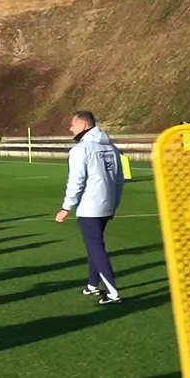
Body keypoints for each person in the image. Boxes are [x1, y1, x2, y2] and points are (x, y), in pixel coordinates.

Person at [54, 111, 125, 305]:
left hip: (90, 206)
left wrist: (66, 207)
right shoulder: (111, 148)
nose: (70, 128)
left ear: (84, 126)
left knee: (95, 247)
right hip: (107, 204)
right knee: (95, 245)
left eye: (73, 125)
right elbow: (119, 179)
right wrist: (114, 203)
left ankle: (112, 293)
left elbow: (76, 181)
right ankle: (93, 285)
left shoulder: (81, 150)